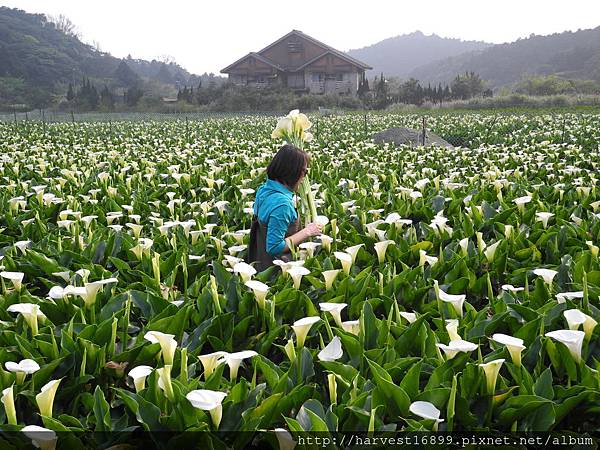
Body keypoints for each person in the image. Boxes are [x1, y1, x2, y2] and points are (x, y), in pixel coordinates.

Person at [247, 144, 322, 271]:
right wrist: (307, 231)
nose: (305, 177)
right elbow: (274, 247)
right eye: (304, 172)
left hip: (259, 262)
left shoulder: (264, 190)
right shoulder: (282, 205)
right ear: (292, 171)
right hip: (278, 271)